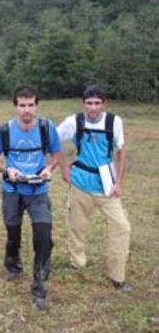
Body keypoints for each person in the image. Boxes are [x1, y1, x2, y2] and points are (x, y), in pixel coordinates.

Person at [0, 85, 62, 311]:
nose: (26, 110)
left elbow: (57, 156)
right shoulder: (4, 131)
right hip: (12, 190)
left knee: (43, 235)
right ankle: (13, 265)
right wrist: (6, 170)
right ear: (15, 107)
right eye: (22, 105)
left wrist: (49, 169)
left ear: (36, 106)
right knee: (13, 231)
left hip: (38, 192)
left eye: (30, 105)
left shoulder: (48, 129)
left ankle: (39, 283)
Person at [57, 85, 131, 292]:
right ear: (83, 104)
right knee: (76, 226)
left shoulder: (113, 122)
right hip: (80, 181)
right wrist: (63, 168)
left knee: (121, 226)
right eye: (89, 103)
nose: (93, 107)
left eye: (97, 103)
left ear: (104, 104)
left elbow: (121, 150)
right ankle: (77, 262)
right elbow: (53, 141)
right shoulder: (74, 121)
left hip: (106, 185)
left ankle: (117, 275)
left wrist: (118, 182)